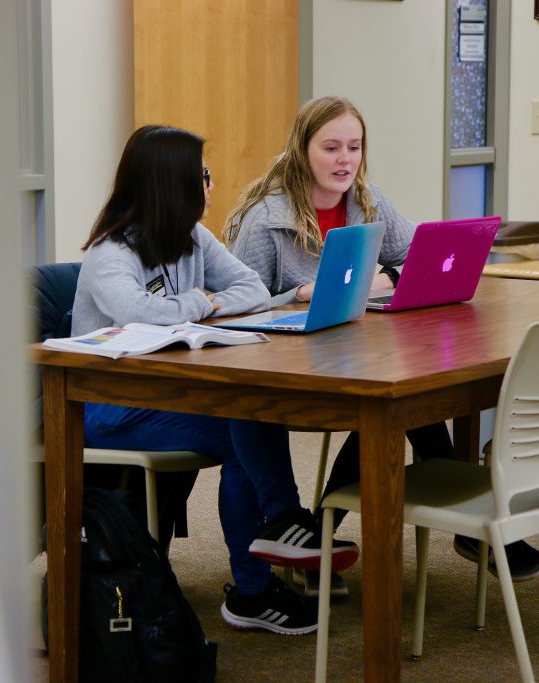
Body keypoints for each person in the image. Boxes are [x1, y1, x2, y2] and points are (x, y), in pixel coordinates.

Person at [224, 96, 539, 596]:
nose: (344, 159)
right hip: (285, 363)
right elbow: (241, 301)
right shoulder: (268, 218)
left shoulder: (367, 200)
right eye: (331, 147)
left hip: (353, 350)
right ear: (302, 150)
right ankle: (469, 531)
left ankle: (317, 537)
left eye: (353, 147)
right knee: (396, 409)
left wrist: (388, 276)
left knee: (404, 401)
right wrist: (299, 294)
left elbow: (419, 255)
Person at [72, 124, 359, 636]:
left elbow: (250, 285)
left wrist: (204, 303)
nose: (210, 186)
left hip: (168, 393)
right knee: (241, 432)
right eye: (201, 176)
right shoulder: (111, 254)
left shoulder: (191, 239)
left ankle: (274, 547)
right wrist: (202, 303)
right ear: (169, 184)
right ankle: (266, 561)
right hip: (108, 407)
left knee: (250, 415)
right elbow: (137, 313)